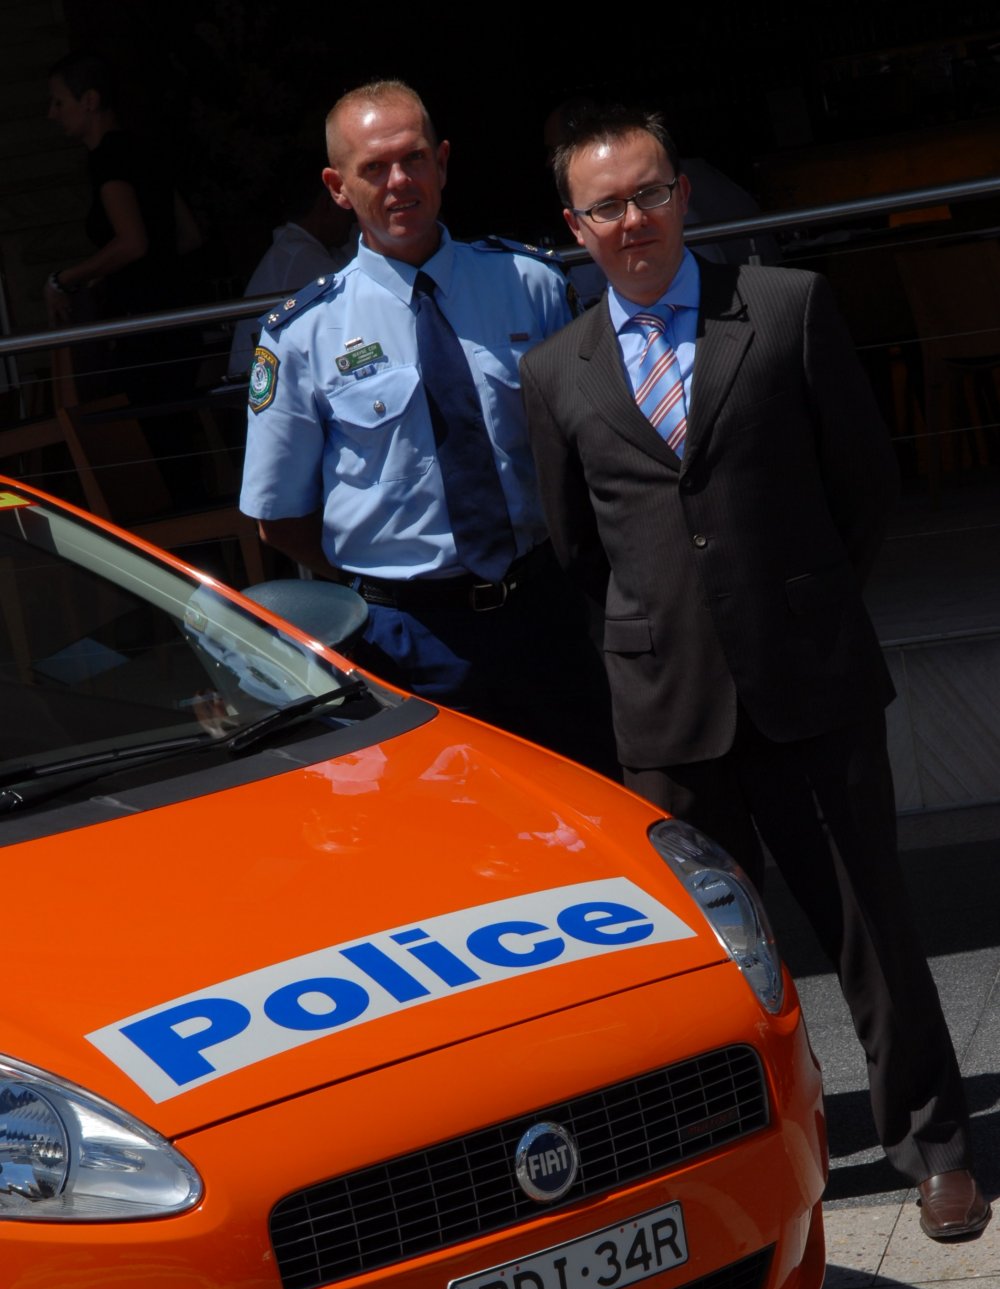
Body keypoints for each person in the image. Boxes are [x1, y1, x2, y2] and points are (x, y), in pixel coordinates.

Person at [518, 104, 990, 1241]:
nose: (632, 220)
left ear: (683, 193)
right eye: (606, 205)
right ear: (573, 227)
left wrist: (797, 604)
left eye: (648, 193)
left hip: (808, 679)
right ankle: (738, 1172)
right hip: (668, 711)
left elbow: (861, 487)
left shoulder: (785, 307)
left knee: (869, 928)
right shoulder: (553, 370)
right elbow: (579, 549)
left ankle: (935, 1146)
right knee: (704, 972)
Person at [239, 79, 613, 771]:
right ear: (338, 187)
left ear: (442, 162)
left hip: (542, 614)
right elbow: (279, 519)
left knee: (590, 805)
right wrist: (386, 588)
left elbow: (589, 447)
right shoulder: (303, 335)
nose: (399, 181)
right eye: (373, 169)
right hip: (406, 637)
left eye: (413, 159)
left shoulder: (529, 283)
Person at [45, 52, 202, 401]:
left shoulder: (107, 158)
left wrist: (63, 279)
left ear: (89, 100)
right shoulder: (146, 149)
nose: (52, 113)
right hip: (179, 317)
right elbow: (188, 236)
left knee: (143, 433)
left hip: (143, 328)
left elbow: (132, 243)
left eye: (58, 102)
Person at [227, 163, 358, 377]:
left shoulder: (297, 247)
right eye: (348, 208)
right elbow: (359, 308)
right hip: (256, 385)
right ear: (326, 204)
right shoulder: (301, 254)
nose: (352, 220)